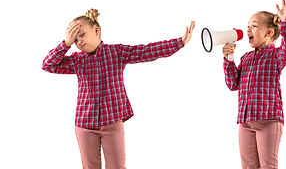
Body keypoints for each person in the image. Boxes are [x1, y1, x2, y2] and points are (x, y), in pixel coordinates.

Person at [42, 9, 195, 169]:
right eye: (74, 39)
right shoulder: (76, 60)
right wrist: (65, 44)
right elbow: (47, 65)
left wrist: (180, 42)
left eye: (82, 35)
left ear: (96, 30)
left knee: (117, 166)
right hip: (84, 124)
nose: (78, 41)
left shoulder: (117, 52)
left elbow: (147, 51)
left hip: (112, 121)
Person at [223, 0, 286, 169]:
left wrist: (285, 22)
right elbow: (233, 84)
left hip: (268, 121)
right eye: (248, 26)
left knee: (267, 166)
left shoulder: (275, 56)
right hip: (245, 122)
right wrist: (229, 60)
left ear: (269, 32)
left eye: (254, 26)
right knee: (248, 166)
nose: (248, 29)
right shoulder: (246, 58)